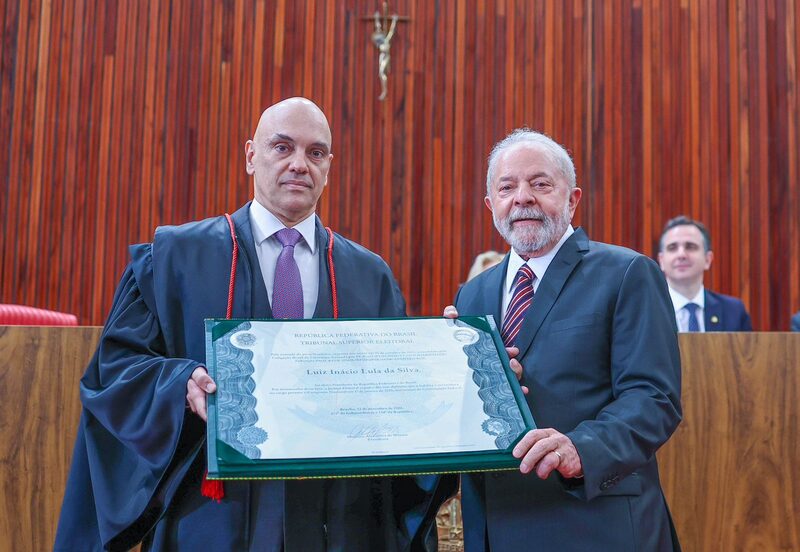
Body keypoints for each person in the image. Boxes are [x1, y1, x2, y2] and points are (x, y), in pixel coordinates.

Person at [55, 98, 450, 551]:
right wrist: (180, 383)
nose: (299, 164)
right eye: (282, 147)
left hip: (336, 522)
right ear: (250, 156)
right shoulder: (174, 258)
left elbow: (399, 400)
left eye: (315, 153)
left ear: (328, 166)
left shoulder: (368, 275)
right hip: (212, 517)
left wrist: (446, 368)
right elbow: (114, 373)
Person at [445, 129, 682, 551]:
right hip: (497, 524)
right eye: (507, 187)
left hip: (595, 522)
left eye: (540, 184)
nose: (522, 198)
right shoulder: (472, 294)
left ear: (572, 200)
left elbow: (653, 398)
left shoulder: (627, 273)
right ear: (491, 205)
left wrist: (581, 449)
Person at [658, 215, 753, 332]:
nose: (681, 255)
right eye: (672, 248)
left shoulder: (734, 312)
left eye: (690, 247)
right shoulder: (647, 310)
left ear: (708, 259)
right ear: (661, 261)